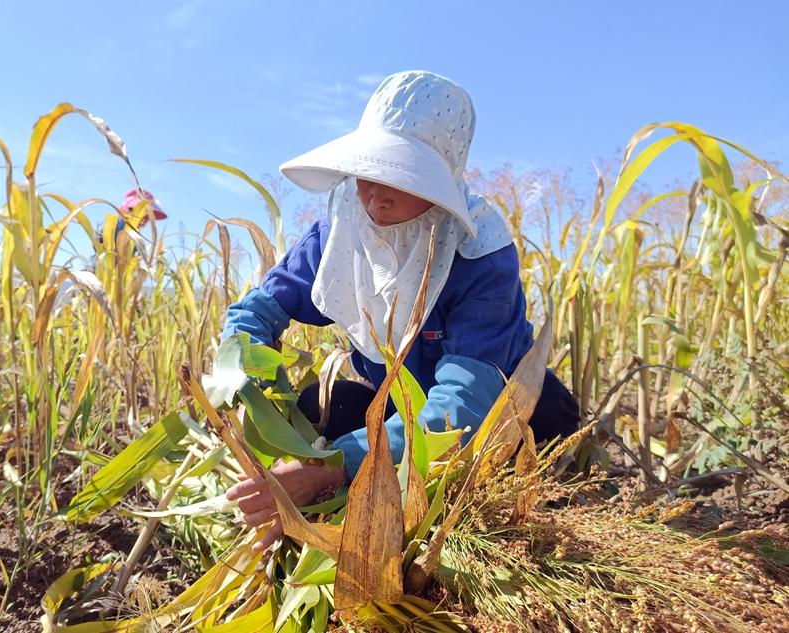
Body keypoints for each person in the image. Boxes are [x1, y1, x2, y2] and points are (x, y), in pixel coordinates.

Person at [221, 71, 579, 552]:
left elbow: (461, 408)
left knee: (544, 425)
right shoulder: (341, 231)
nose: (376, 196)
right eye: (369, 173)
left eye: (401, 178)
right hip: (397, 408)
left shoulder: (479, 256)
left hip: (496, 416)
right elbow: (258, 310)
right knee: (319, 408)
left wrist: (328, 467)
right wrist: (239, 378)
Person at [96, 188, 167, 247]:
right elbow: (99, 243)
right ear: (130, 209)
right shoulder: (114, 226)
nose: (145, 219)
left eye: (148, 216)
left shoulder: (136, 236)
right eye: (143, 212)